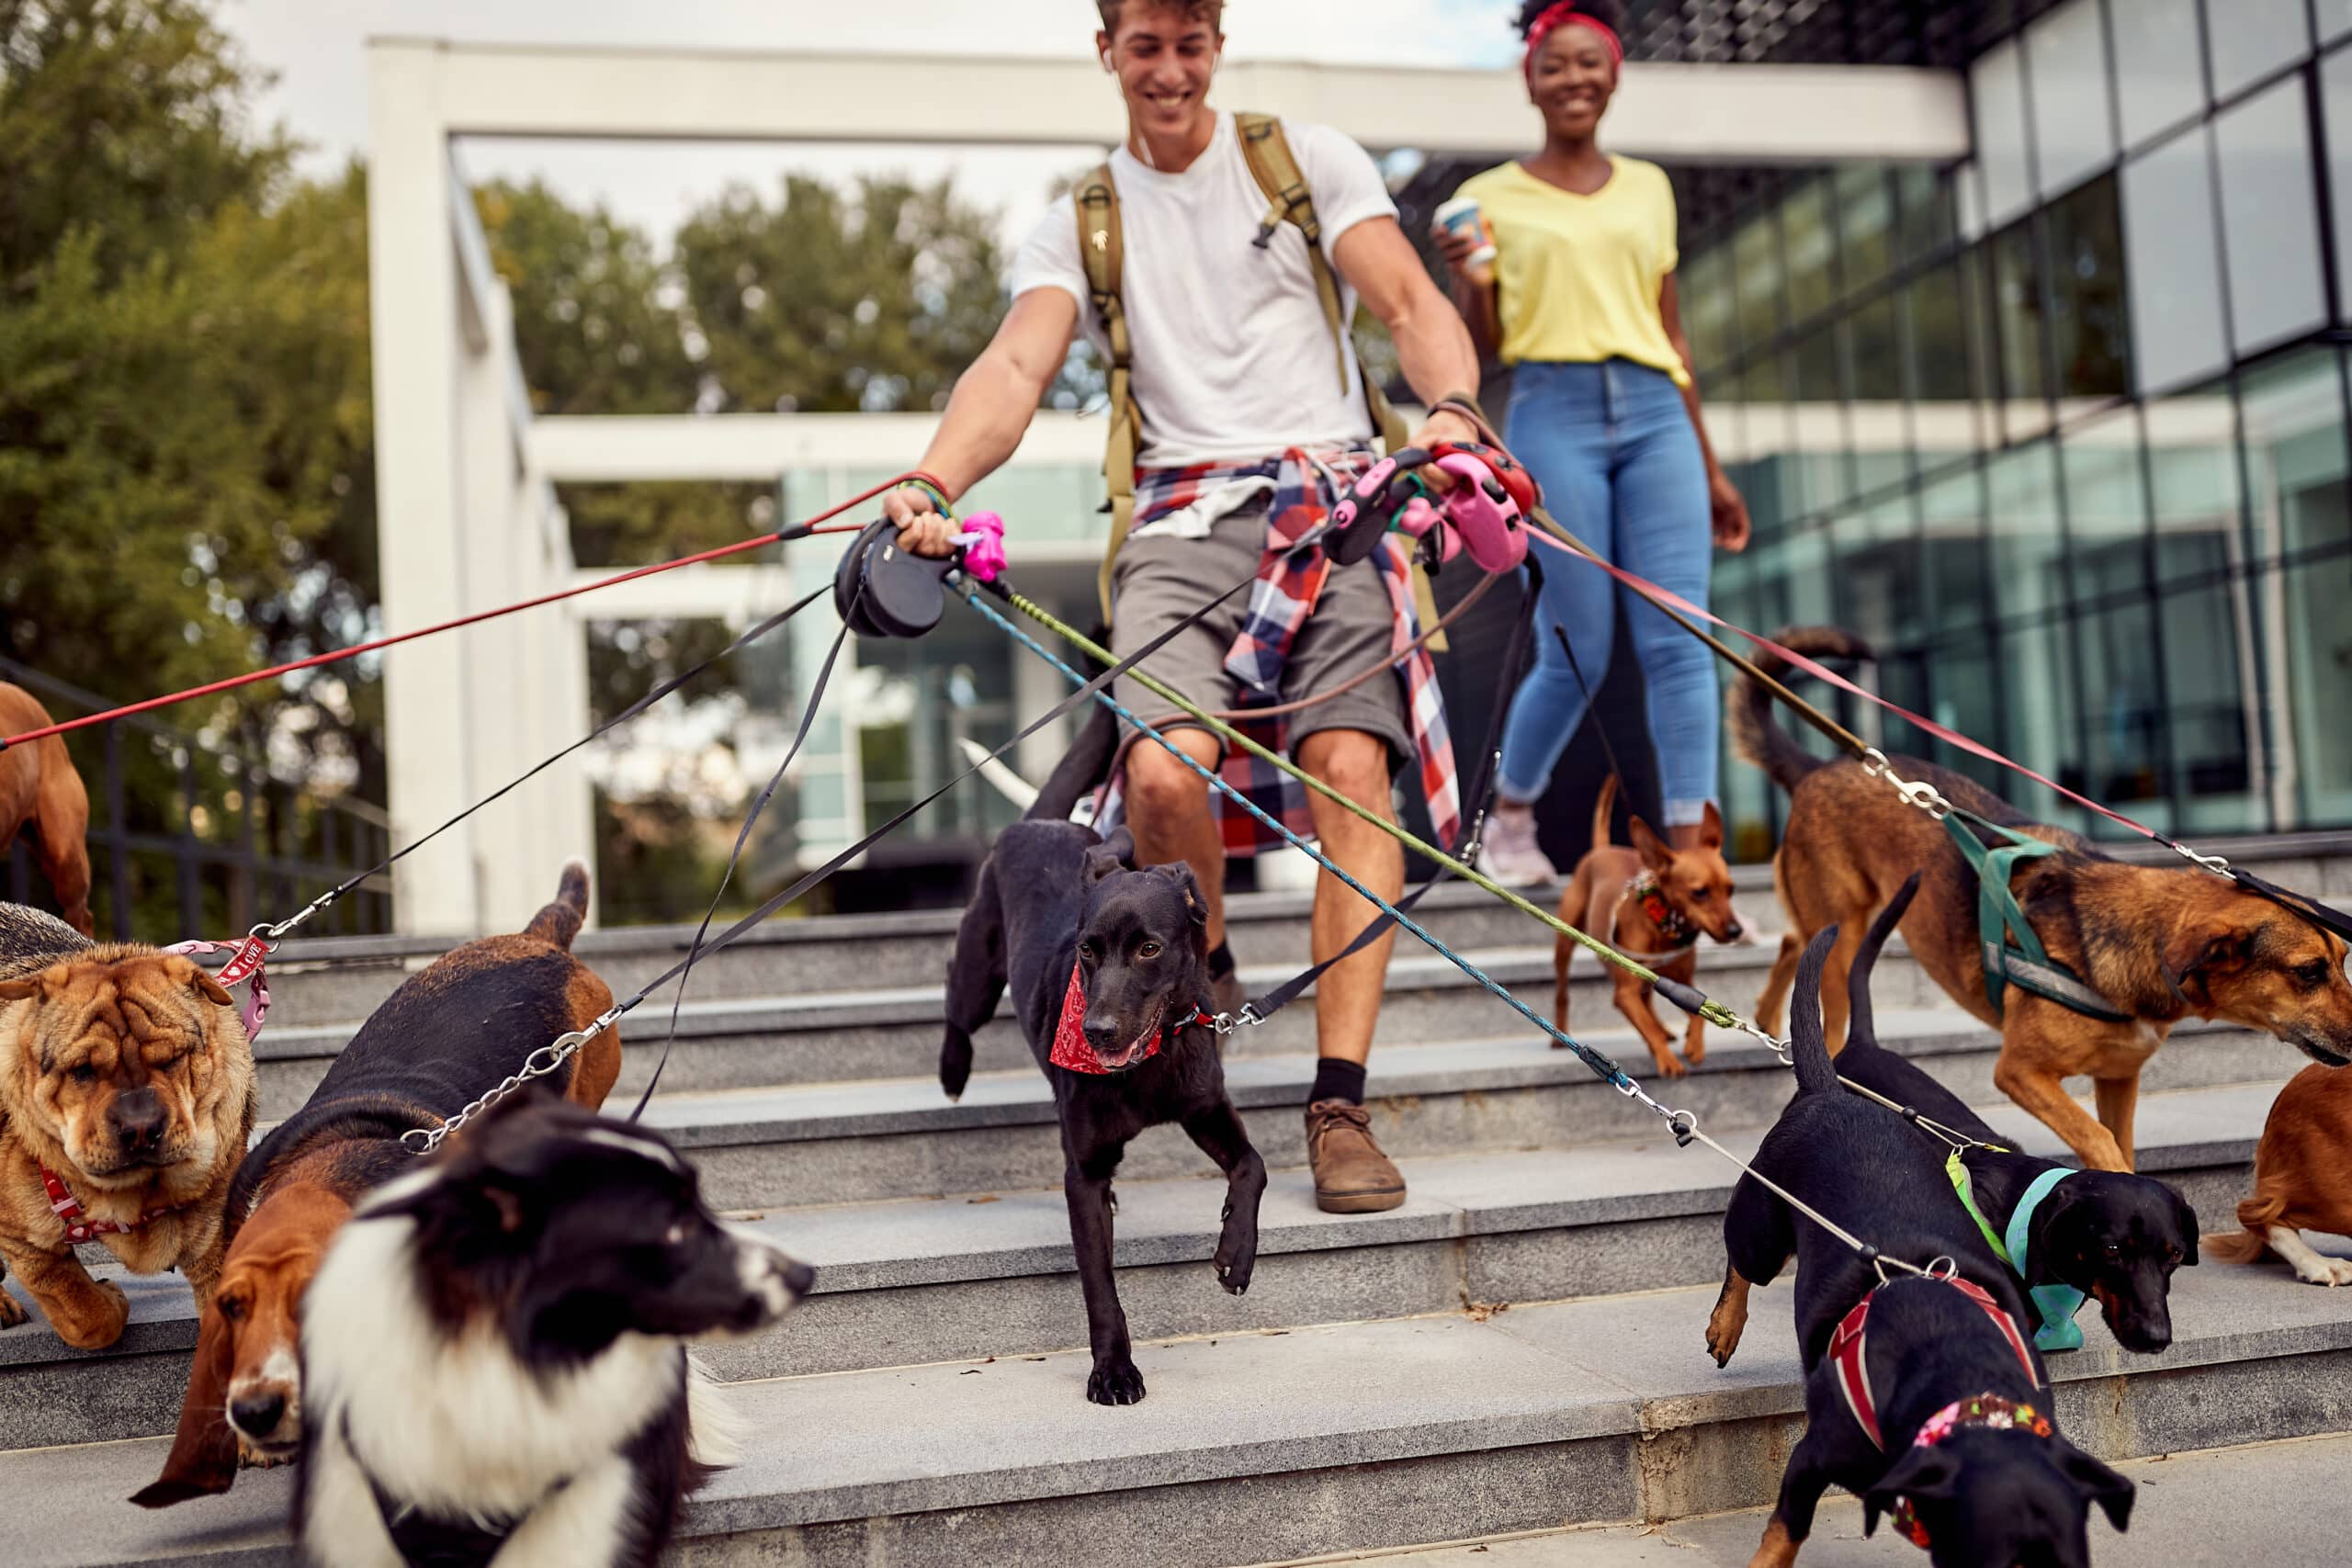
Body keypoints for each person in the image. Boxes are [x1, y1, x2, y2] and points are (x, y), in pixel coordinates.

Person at [886, 0, 1487, 1213]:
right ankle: (1202, 989)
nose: (1170, 69)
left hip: (1331, 502)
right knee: (1162, 774)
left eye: (1191, 43)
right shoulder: (1081, 223)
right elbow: (1013, 369)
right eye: (1145, 45)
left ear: (1216, 42)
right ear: (1106, 49)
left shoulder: (1301, 160)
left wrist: (1457, 408)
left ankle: (1336, 1101)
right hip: (1175, 519)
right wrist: (934, 477)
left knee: (1348, 766)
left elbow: (1414, 305)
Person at [1432, 0, 1750, 885]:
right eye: (1555, 65)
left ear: (1614, 72)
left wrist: (1711, 467)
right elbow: (1486, 344)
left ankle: (1694, 870)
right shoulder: (1486, 198)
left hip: (1655, 415)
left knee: (1682, 640)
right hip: (1551, 407)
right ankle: (1513, 817)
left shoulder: (1650, 186)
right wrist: (1472, 282)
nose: (1574, 79)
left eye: (1589, 63)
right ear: (1530, 79)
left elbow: (1671, 337)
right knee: (1582, 642)